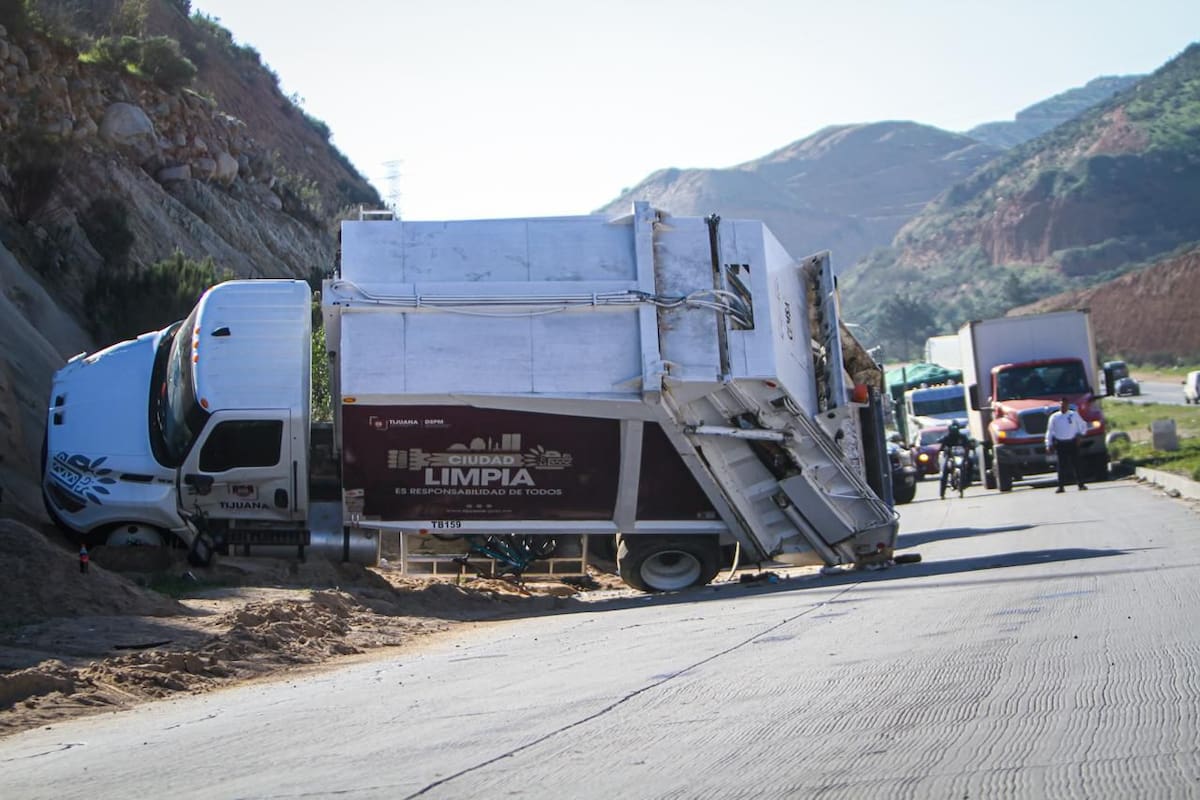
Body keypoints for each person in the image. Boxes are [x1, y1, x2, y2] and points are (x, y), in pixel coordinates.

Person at [1045, 397, 1088, 492]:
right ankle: (1061, 486)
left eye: (1064, 405)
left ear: (1068, 405)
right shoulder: (1054, 417)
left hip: (1072, 442)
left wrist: (1081, 436)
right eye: (1061, 405)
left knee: (1076, 464)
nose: (1063, 407)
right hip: (1060, 443)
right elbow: (1050, 431)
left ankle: (1081, 484)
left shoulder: (1074, 415)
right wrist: (1048, 444)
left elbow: (1083, 425)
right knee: (1061, 466)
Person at [937, 422, 973, 498]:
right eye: (952, 429)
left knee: (970, 462)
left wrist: (969, 448)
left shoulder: (962, 437)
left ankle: (968, 481)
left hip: (961, 456)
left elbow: (968, 445)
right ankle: (942, 493)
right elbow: (942, 447)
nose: (954, 430)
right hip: (950, 457)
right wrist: (943, 449)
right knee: (944, 472)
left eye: (955, 428)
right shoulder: (947, 438)